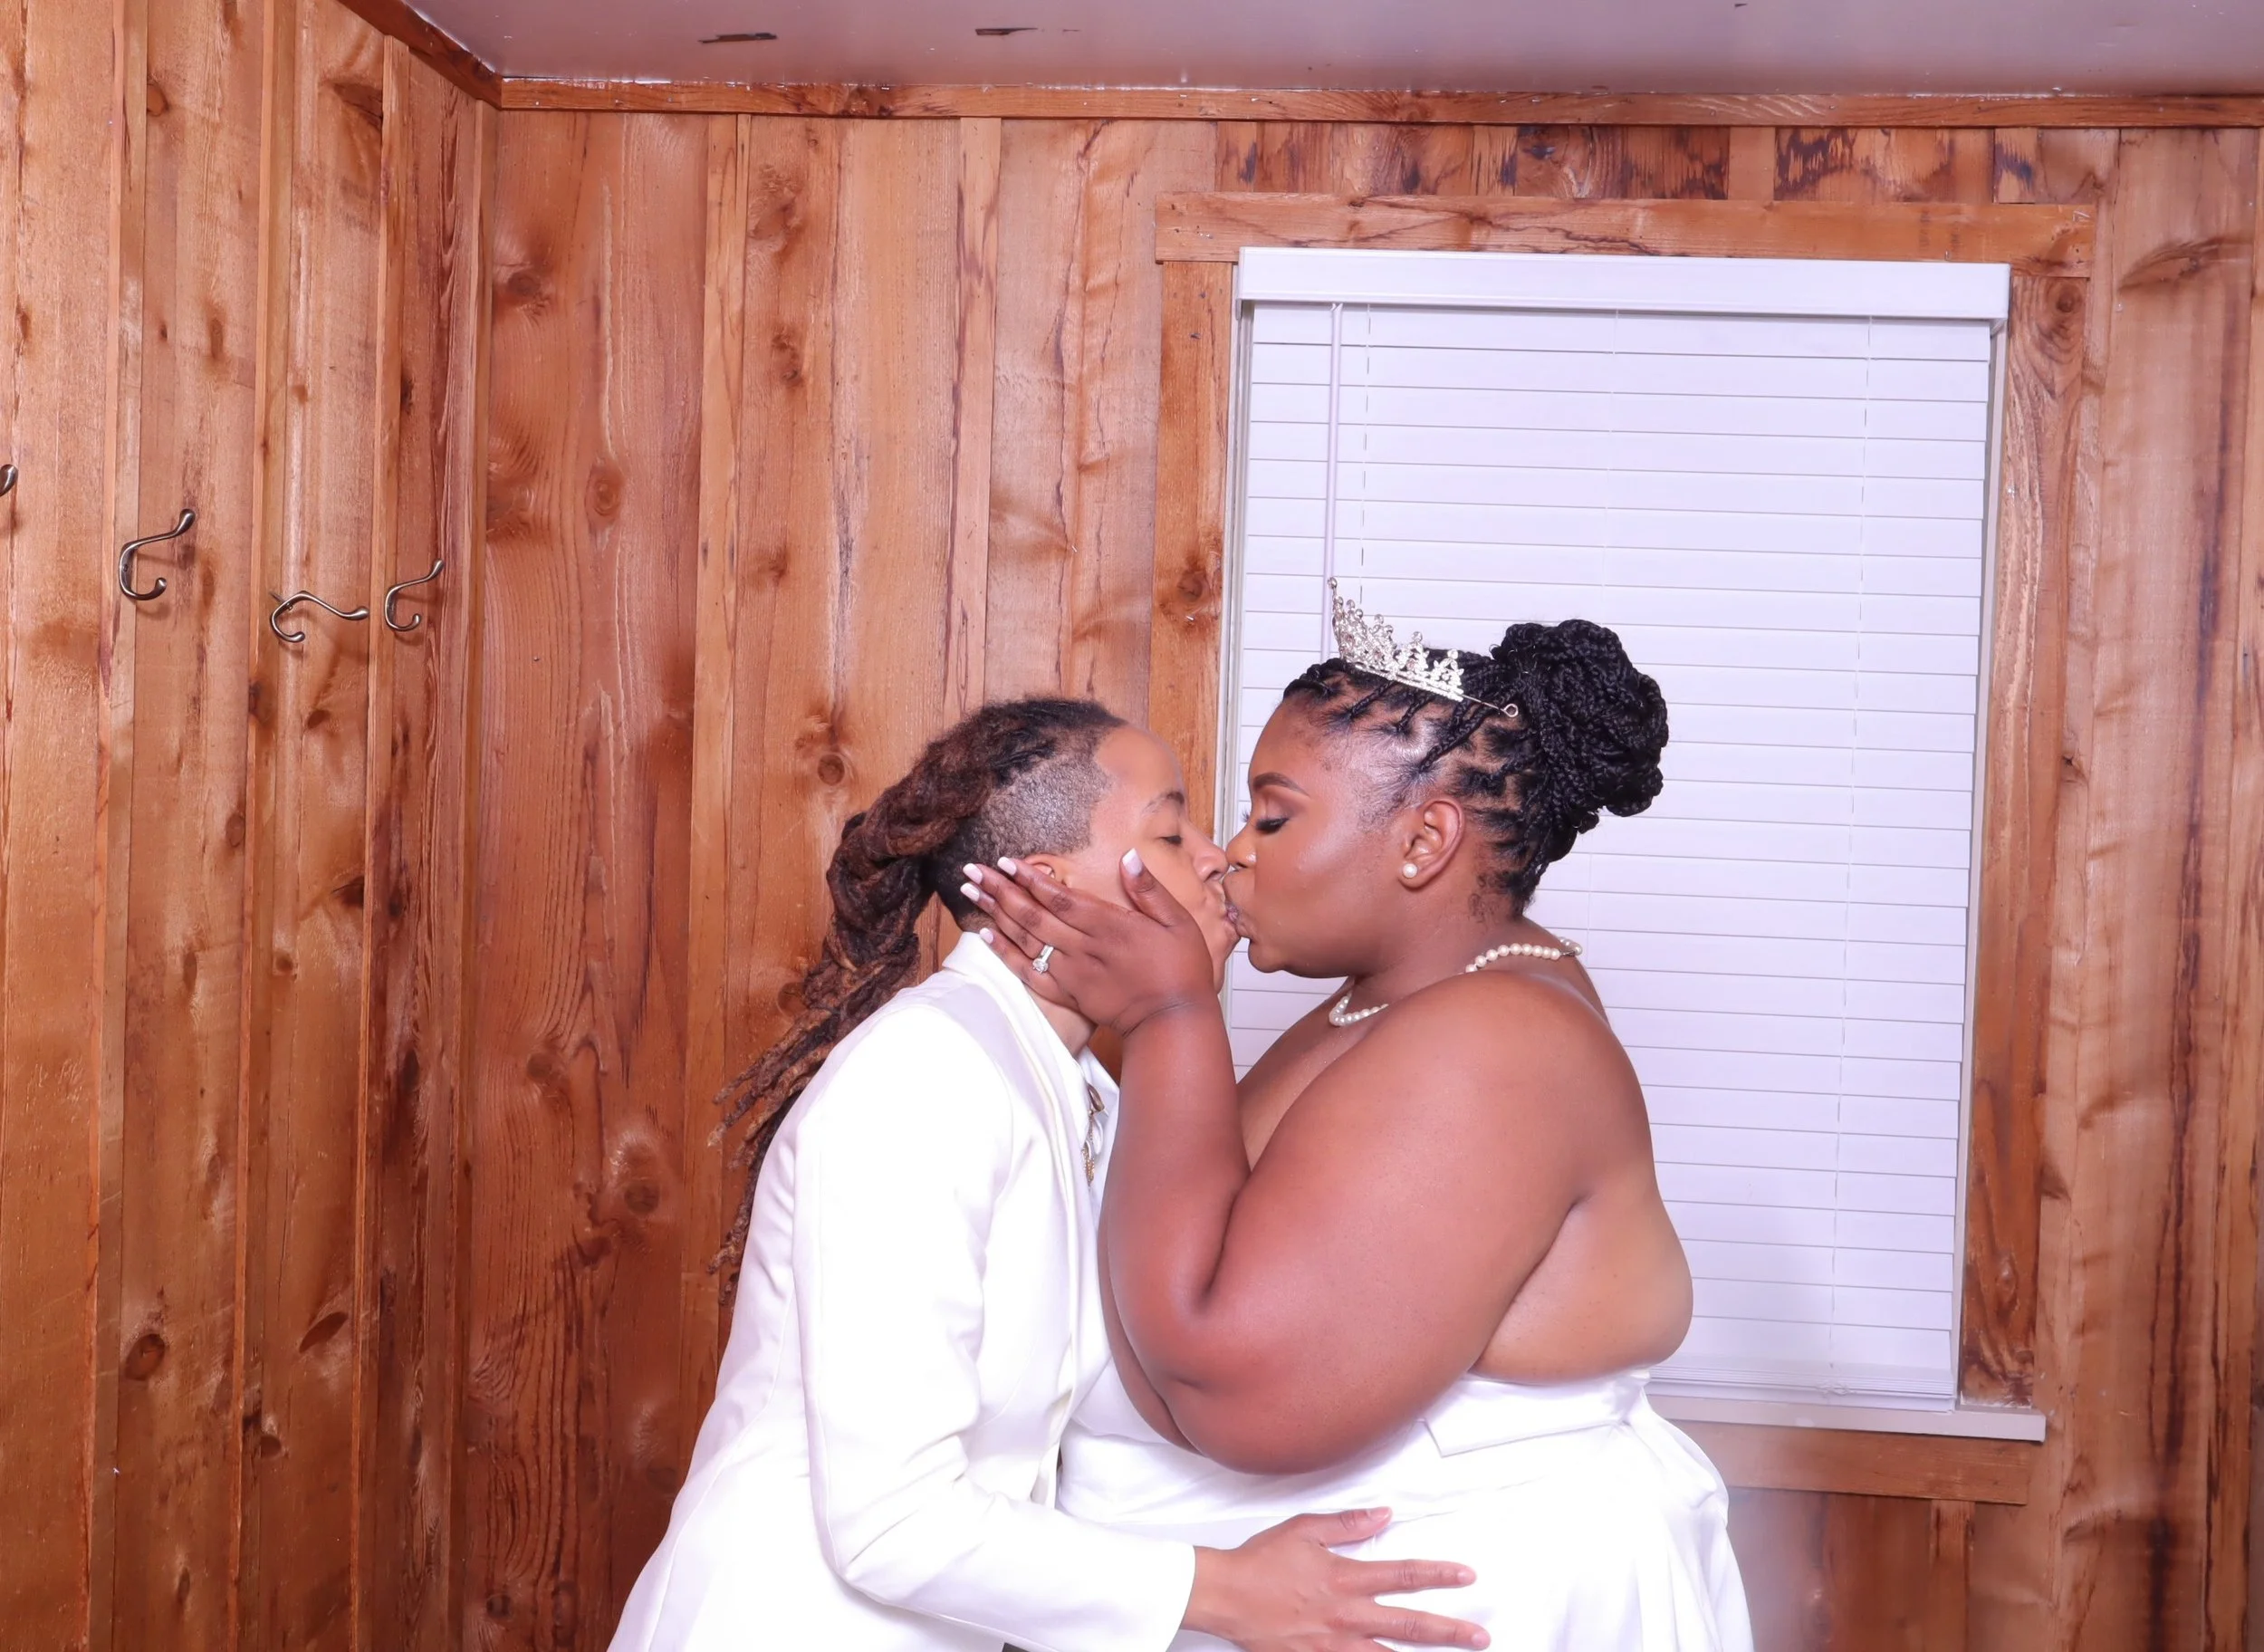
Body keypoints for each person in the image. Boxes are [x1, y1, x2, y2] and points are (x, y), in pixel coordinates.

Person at [609, 696, 1489, 1652]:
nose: (1217, 859)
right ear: (1044, 884)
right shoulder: (923, 1078)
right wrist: (1223, 1589)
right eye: (1170, 832)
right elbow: (890, 1522)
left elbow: (1140, 1389)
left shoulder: (1084, 1089)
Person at [964, 596, 1754, 1650]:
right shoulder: (1383, 1002)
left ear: (1424, 840)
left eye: (1273, 817)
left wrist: (1168, 1018)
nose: (1233, 854)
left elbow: (1231, 1388)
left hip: (1466, 1606)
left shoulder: (1496, 1042)